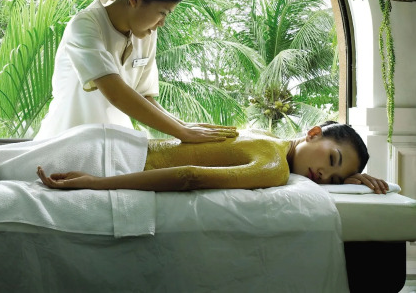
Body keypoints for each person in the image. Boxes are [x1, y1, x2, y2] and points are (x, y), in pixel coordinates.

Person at [35, 0, 236, 143]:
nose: (162, 23)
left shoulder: (146, 32)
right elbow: (115, 92)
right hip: (66, 143)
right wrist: (183, 132)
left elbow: (143, 96)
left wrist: (184, 125)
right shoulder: (85, 24)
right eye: (162, 13)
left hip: (115, 145)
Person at [37, 122, 390, 194]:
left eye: (334, 178)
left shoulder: (260, 132)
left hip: (109, 140)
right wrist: (97, 183)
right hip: (111, 160)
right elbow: (189, 175)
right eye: (333, 160)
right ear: (313, 133)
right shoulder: (274, 166)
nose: (325, 176)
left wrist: (348, 182)